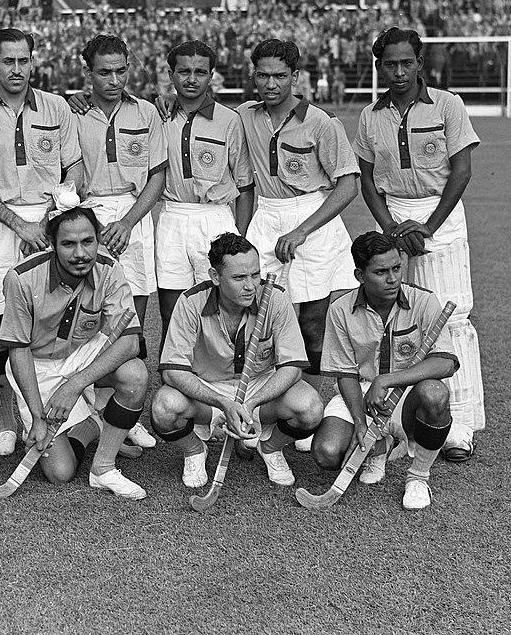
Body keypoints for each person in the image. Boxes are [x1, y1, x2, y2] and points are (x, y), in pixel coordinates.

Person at [352, 27, 482, 461]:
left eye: (407, 62)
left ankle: (460, 425)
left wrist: (427, 227)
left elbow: (462, 171)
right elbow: (366, 179)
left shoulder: (447, 104)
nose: (399, 71)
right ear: (379, 67)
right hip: (394, 220)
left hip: (440, 216)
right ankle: (401, 422)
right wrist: (390, 227)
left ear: (420, 63)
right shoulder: (371, 116)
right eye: (390, 64)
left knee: (453, 318)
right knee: (398, 319)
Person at [0, 28, 85, 456]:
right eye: (8, 61)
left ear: (33, 61)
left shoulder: (57, 106)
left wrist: (47, 221)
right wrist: (18, 224)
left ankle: (53, 412)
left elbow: (75, 168)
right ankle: (8, 421)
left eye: (23, 60)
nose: (16, 69)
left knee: (52, 319)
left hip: (50, 221)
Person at [237, 40, 358, 436]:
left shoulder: (322, 122)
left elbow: (348, 185)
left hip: (312, 220)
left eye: (279, 76)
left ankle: (310, 409)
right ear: (254, 76)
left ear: (295, 77)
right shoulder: (245, 115)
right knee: (263, 318)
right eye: (262, 75)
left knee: (313, 323)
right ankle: (261, 410)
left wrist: (302, 230)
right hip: (267, 216)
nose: (270, 84)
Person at [0, 207, 150, 500]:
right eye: (68, 244)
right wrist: (38, 417)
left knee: (135, 375)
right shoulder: (20, 277)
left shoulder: (109, 269)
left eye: (88, 242)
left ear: (97, 240)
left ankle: (103, 467)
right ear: (53, 244)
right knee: (60, 473)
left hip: (84, 353)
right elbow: (18, 351)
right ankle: (94, 424)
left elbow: (131, 342)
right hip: (37, 363)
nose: (80, 253)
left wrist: (75, 385)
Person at [150, 233, 321, 488]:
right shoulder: (190, 302)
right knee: (164, 407)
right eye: (239, 278)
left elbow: (293, 367)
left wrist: (251, 403)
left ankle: (270, 446)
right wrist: (223, 403)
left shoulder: (275, 298)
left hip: (259, 388)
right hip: (208, 389)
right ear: (215, 276)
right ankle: (195, 450)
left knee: (310, 407)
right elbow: (173, 372)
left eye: (255, 274)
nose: (251, 285)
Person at [312, 231, 459, 510]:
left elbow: (446, 362)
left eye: (396, 268)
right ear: (360, 275)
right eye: (381, 272)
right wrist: (359, 420)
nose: (392, 279)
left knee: (435, 393)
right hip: (361, 393)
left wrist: (387, 380)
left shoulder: (424, 300)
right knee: (326, 453)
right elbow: (345, 373)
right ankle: (382, 445)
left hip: (408, 393)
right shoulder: (340, 309)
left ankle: (418, 477)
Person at [71, 34, 167, 449]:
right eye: (104, 72)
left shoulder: (147, 112)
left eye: (120, 71)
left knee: (133, 319)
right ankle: (93, 412)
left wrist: (128, 222)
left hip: (134, 216)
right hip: (88, 213)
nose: (114, 80)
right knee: (91, 317)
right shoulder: (72, 112)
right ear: (87, 72)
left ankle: (127, 417)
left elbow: (157, 176)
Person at [154, 40, 254, 344]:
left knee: (220, 309)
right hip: (172, 217)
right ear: (171, 75)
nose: (191, 79)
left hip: (215, 218)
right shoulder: (158, 114)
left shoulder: (229, 119)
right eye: (184, 71)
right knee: (172, 310)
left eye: (200, 72)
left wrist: (240, 236)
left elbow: (244, 185)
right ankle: (173, 370)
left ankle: (220, 369)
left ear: (211, 76)